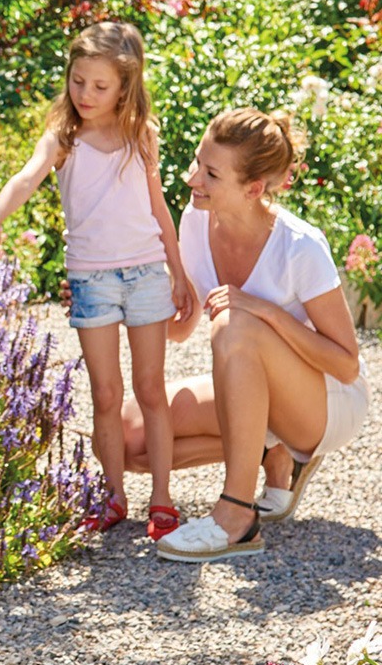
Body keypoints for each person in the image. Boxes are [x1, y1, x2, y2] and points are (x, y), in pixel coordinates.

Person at [0, 21, 193, 541]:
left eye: (99, 86)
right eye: (77, 81)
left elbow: (160, 209)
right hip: (92, 280)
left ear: (124, 86)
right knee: (107, 393)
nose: (85, 94)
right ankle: (113, 497)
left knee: (151, 389)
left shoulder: (142, 135)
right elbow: (27, 176)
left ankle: (162, 499)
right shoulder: (64, 136)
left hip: (145, 275)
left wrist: (179, 273)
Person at [122, 107, 370, 563]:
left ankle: (237, 515)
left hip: (325, 402)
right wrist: (124, 302)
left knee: (234, 324)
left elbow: (346, 363)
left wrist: (262, 310)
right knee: (128, 439)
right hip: (252, 389)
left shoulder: (299, 246)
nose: (193, 178)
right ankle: (273, 455)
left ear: (254, 189)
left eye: (211, 173)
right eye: (199, 162)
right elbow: (182, 328)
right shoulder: (196, 221)